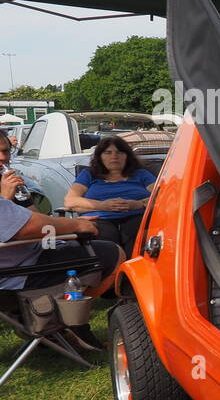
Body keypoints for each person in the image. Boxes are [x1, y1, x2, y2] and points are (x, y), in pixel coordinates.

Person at [1, 132, 122, 350]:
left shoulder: (12, 182)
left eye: (5, 151)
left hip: (24, 258)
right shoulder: (4, 192)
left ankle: (47, 324)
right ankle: (58, 321)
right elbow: (27, 228)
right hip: (15, 276)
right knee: (112, 253)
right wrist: (77, 225)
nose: (3, 158)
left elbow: (35, 217)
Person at [61, 136, 157, 255]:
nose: (114, 156)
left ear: (127, 156)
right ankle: (114, 270)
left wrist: (138, 204)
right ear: (100, 156)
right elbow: (70, 201)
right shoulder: (89, 175)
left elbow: (162, 196)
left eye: (119, 152)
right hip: (100, 218)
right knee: (107, 240)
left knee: (136, 237)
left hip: (136, 215)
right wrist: (103, 206)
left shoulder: (141, 174)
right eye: (108, 152)